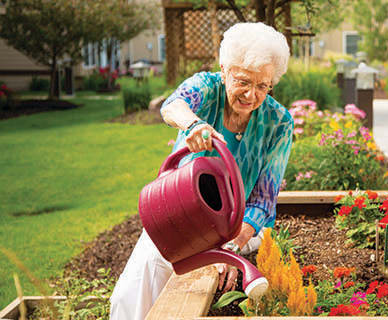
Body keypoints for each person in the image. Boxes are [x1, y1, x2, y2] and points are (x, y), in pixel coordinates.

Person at [109, 22, 293, 320]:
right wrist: (192, 124)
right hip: (178, 211)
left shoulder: (279, 122)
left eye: (263, 86)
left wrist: (229, 247)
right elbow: (172, 106)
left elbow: (262, 202)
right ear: (225, 70)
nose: (251, 94)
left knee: (193, 292)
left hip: (234, 226)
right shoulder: (207, 87)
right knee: (130, 298)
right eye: (243, 81)